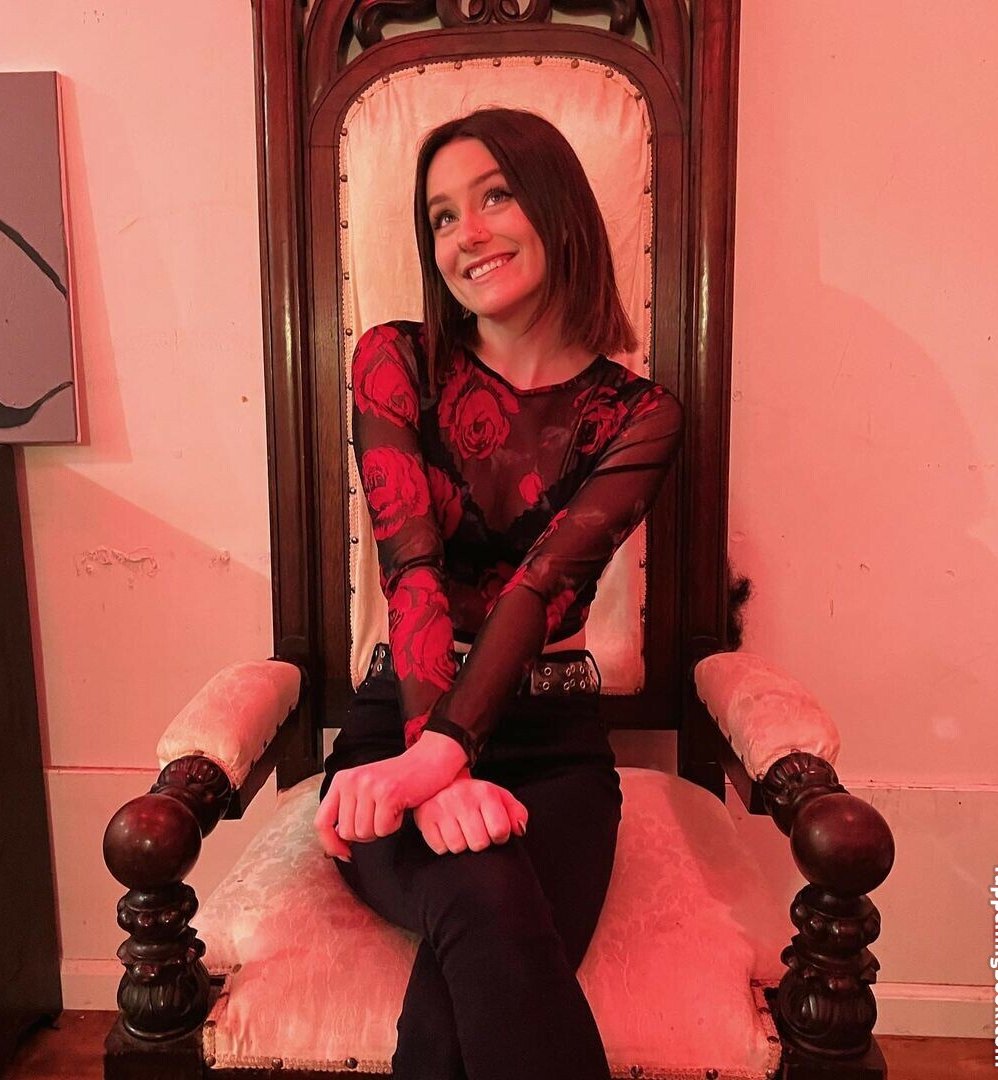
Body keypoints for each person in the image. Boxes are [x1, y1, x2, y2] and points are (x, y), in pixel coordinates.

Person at [314, 106, 683, 1080]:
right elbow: (411, 565)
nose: (465, 234)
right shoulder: (393, 360)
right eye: (441, 216)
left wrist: (446, 756)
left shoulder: (639, 414)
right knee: (483, 898)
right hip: (396, 725)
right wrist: (428, 756)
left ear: (556, 206)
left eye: (495, 197)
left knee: (471, 981)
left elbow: (542, 583)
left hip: (554, 748)